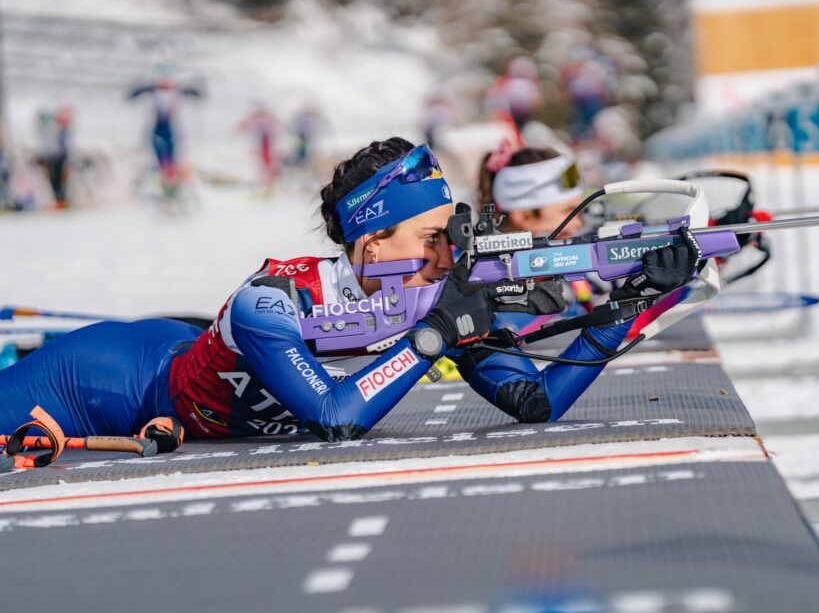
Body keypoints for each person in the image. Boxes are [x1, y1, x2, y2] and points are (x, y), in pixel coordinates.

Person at [0, 138, 698, 442]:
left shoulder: (434, 294)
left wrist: (630, 306)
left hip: (179, 380)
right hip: (100, 380)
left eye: (450, 233)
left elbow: (536, 401)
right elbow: (337, 417)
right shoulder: (270, 299)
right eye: (429, 237)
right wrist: (438, 336)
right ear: (370, 245)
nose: (447, 251)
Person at [126, 63, 203, 200]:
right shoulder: (152, 90)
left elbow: (196, 94)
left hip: (173, 130)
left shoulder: (178, 90)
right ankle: (165, 189)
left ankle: (175, 189)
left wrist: (197, 86)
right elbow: (133, 95)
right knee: (160, 161)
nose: (166, 82)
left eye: (169, 79)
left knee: (173, 161)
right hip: (156, 129)